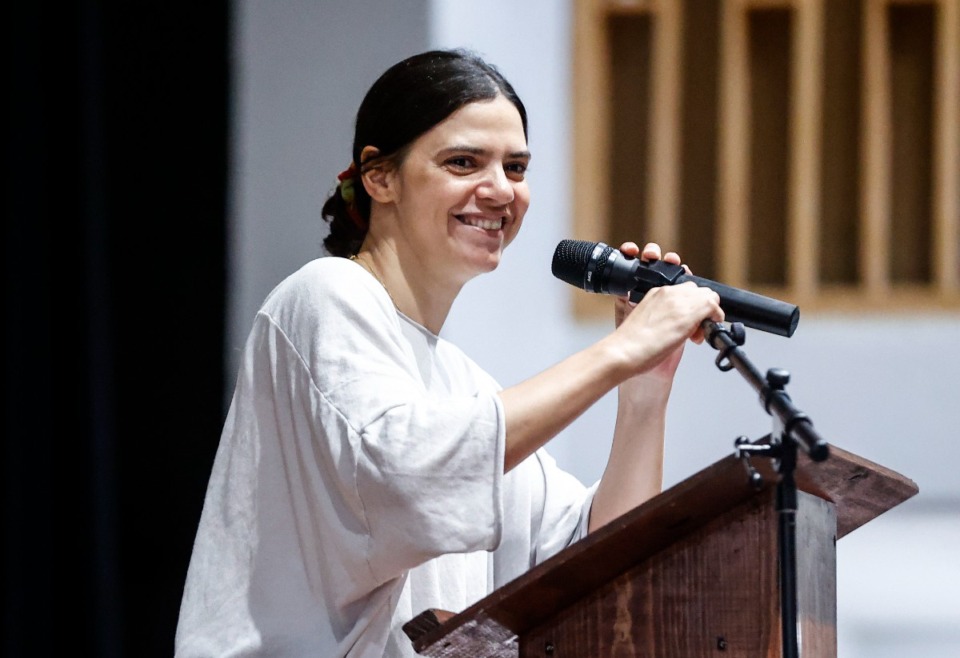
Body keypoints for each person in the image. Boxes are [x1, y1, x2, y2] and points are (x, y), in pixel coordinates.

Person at [174, 48, 723, 657]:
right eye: (464, 162)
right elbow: (408, 477)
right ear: (380, 176)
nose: (499, 191)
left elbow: (602, 563)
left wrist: (644, 386)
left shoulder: (464, 386)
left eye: (515, 168)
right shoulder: (324, 296)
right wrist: (620, 350)